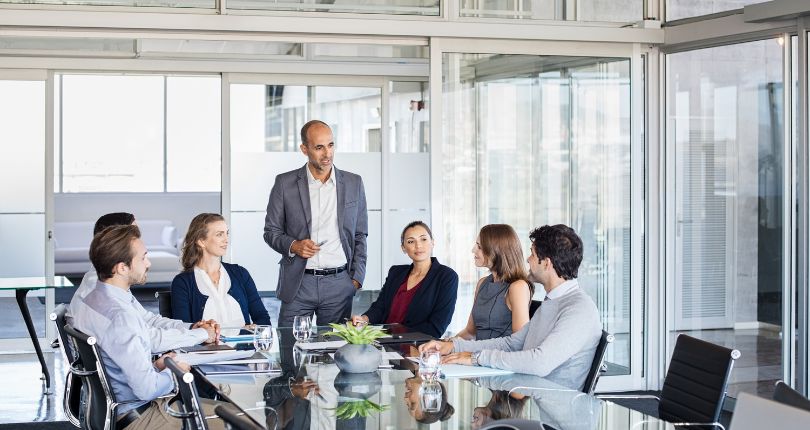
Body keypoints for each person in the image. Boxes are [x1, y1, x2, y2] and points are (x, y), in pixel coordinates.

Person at [71, 225, 224, 430]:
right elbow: (146, 389)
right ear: (122, 268)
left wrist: (157, 366)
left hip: (115, 411)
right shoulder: (120, 316)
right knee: (237, 418)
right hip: (142, 417)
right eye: (143, 258)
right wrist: (175, 372)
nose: (148, 263)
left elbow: (124, 357)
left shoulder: (94, 299)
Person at [419, 224, 602, 391]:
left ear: (546, 263)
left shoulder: (579, 309)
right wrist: (453, 347)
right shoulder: (552, 301)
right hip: (533, 396)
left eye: (532, 254)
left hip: (555, 415)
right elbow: (512, 343)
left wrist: (476, 358)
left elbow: (540, 362)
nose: (528, 260)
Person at [264, 120, 368, 327]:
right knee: (289, 349)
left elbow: (360, 234)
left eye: (330, 145)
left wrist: (356, 278)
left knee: (333, 353)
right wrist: (294, 245)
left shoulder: (354, 182)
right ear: (304, 149)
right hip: (299, 283)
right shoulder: (285, 183)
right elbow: (271, 231)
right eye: (319, 147)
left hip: (339, 283)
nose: (327, 153)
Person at [68, 212, 218, 352]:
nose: (139, 240)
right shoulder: (101, 292)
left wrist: (192, 327)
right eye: (133, 233)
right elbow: (148, 339)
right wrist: (201, 334)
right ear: (115, 240)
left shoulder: (108, 283)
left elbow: (147, 320)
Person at [350, 221, 458, 337]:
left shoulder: (447, 277)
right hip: (382, 343)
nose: (418, 245)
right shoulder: (396, 272)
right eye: (411, 241)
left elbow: (436, 327)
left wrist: (395, 336)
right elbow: (380, 307)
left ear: (432, 242)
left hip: (416, 347)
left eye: (423, 239)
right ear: (403, 248)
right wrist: (364, 319)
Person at [171, 213, 271, 327]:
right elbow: (183, 329)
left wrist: (255, 328)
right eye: (219, 235)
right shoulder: (182, 282)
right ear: (201, 241)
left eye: (226, 233)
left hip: (244, 344)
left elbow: (262, 318)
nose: (226, 240)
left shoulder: (240, 273)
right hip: (207, 345)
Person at [453, 224, 533, 341]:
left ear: (497, 251)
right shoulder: (482, 283)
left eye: (479, 247)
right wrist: (444, 344)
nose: (473, 250)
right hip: (475, 355)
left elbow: (518, 342)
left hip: (496, 357)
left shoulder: (518, 287)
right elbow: (470, 333)